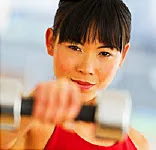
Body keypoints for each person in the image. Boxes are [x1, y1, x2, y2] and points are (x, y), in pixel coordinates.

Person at [4, 0, 149, 149]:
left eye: (104, 53)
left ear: (123, 56)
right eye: (75, 48)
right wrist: (33, 106)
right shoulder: (31, 128)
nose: (87, 68)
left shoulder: (139, 144)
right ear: (51, 42)